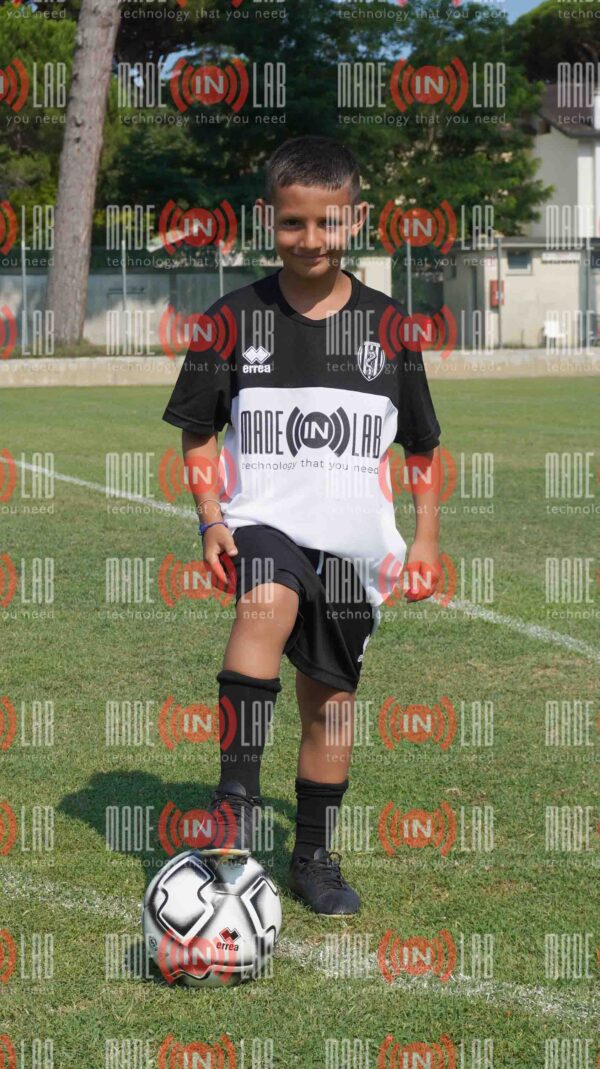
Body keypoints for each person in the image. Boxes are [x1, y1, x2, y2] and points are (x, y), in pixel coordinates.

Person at [162, 135, 442, 915]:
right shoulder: (231, 319)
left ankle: (313, 856)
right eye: (292, 222)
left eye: (327, 223)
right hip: (263, 521)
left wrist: (425, 536)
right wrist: (210, 519)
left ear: (355, 219)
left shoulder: (390, 328)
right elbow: (197, 432)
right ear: (269, 220)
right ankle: (234, 803)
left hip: (354, 548)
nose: (309, 239)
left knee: (330, 704)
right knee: (266, 602)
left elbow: (423, 447)